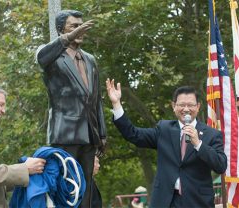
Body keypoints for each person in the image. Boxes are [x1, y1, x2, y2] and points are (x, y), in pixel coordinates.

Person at [106, 79, 227, 208]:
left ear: (198, 106)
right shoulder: (164, 129)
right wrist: (116, 104)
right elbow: (133, 134)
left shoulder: (212, 134)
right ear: (173, 106)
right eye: (181, 105)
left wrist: (198, 144)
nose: (186, 109)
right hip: (165, 201)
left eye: (191, 105)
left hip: (197, 202)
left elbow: (220, 165)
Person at [35, 10, 107, 207]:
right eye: (74, 26)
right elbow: (41, 57)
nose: (80, 30)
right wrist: (68, 38)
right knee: (66, 189)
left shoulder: (90, 60)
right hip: (64, 134)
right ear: (61, 30)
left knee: (86, 190)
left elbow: (96, 99)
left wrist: (101, 133)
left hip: (89, 134)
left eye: (81, 25)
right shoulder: (52, 57)